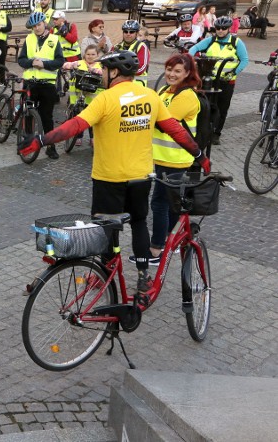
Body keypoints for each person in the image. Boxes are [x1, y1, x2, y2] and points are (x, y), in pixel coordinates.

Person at [18, 51, 210, 301]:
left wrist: (41, 139)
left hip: (109, 177)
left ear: (115, 72)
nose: (102, 75)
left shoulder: (105, 99)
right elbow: (175, 129)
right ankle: (143, 277)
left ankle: (104, 274)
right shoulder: (150, 95)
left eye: (105, 71)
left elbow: (76, 125)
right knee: (139, 222)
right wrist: (199, 155)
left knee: (106, 229)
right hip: (140, 176)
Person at [132, 53, 202, 266]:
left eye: (177, 71)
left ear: (188, 73)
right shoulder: (164, 90)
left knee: (159, 202)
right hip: (161, 157)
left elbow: (163, 122)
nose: (171, 74)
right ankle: (168, 240)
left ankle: (156, 249)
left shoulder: (187, 96)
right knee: (169, 203)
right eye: (169, 69)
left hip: (176, 158)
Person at [188, 15, 249, 145]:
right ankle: (203, 130)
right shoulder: (211, 40)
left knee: (222, 107)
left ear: (228, 29)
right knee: (205, 105)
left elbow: (244, 60)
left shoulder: (236, 42)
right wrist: (191, 59)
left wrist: (234, 72)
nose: (220, 30)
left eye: (223, 28)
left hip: (227, 81)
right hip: (209, 79)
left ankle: (216, 133)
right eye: (218, 28)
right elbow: (194, 48)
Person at [17, 11, 64, 159]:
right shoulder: (29, 39)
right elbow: (21, 60)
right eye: (34, 26)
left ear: (45, 24)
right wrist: (31, 62)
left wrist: (44, 64)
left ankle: (51, 146)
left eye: (39, 24)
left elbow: (59, 61)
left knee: (47, 117)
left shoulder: (54, 40)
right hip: (30, 83)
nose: (37, 28)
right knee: (28, 115)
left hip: (47, 84)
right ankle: (28, 144)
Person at [61, 44, 103, 146]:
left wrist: (94, 70)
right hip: (78, 97)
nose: (90, 56)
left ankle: (92, 138)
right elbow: (65, 65)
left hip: (93, 99)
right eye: (88, 54)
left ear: (97, 55)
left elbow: (104, 73)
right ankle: (78, 137)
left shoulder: (100, 65)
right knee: (79, 118)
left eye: (93, 54)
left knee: (92, 120)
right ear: (84, 54)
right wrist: (71, 66)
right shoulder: (80, 63)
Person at [114, 19, 150, 86]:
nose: (128, 34)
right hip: (119, 83)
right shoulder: (116, 47)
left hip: (137, 83)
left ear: (136, 33)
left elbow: (141, 68)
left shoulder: (141, 47)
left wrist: (121, 72)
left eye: (131, 32)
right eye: (125, 31)